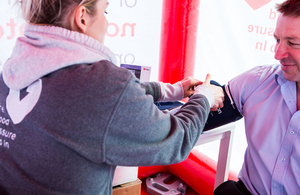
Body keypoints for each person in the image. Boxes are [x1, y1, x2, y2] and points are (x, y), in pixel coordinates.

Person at [0, 0, 224, 194]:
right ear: (82, 17)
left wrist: (171, 90)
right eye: (105, 11)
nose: (107, 24)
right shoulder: (102, 84)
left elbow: (89, 98)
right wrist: (204, 96)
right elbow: (176, 141)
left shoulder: (13, 71)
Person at [209, 0, 300, 194]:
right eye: (277, 40)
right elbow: (199, 115)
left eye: (293, 43)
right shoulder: (259, 81)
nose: (277, 54)